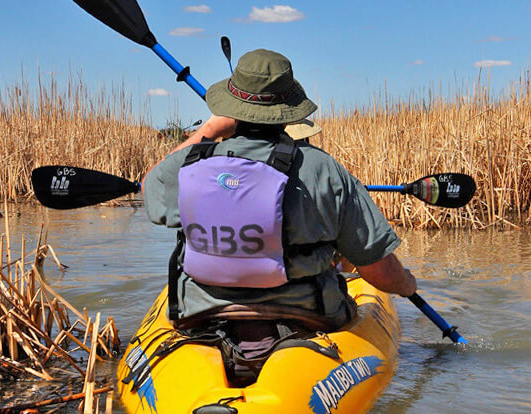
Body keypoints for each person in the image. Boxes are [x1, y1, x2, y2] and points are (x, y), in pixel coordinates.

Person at [143, 48, 416, 336]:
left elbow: (151, 185)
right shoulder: (322, 168)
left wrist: (209, 129)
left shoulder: (190, 164)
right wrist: (407, 284)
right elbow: (378, 271)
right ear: (288, 114)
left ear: (230, 109)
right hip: (306, 317)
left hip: (201, 314)